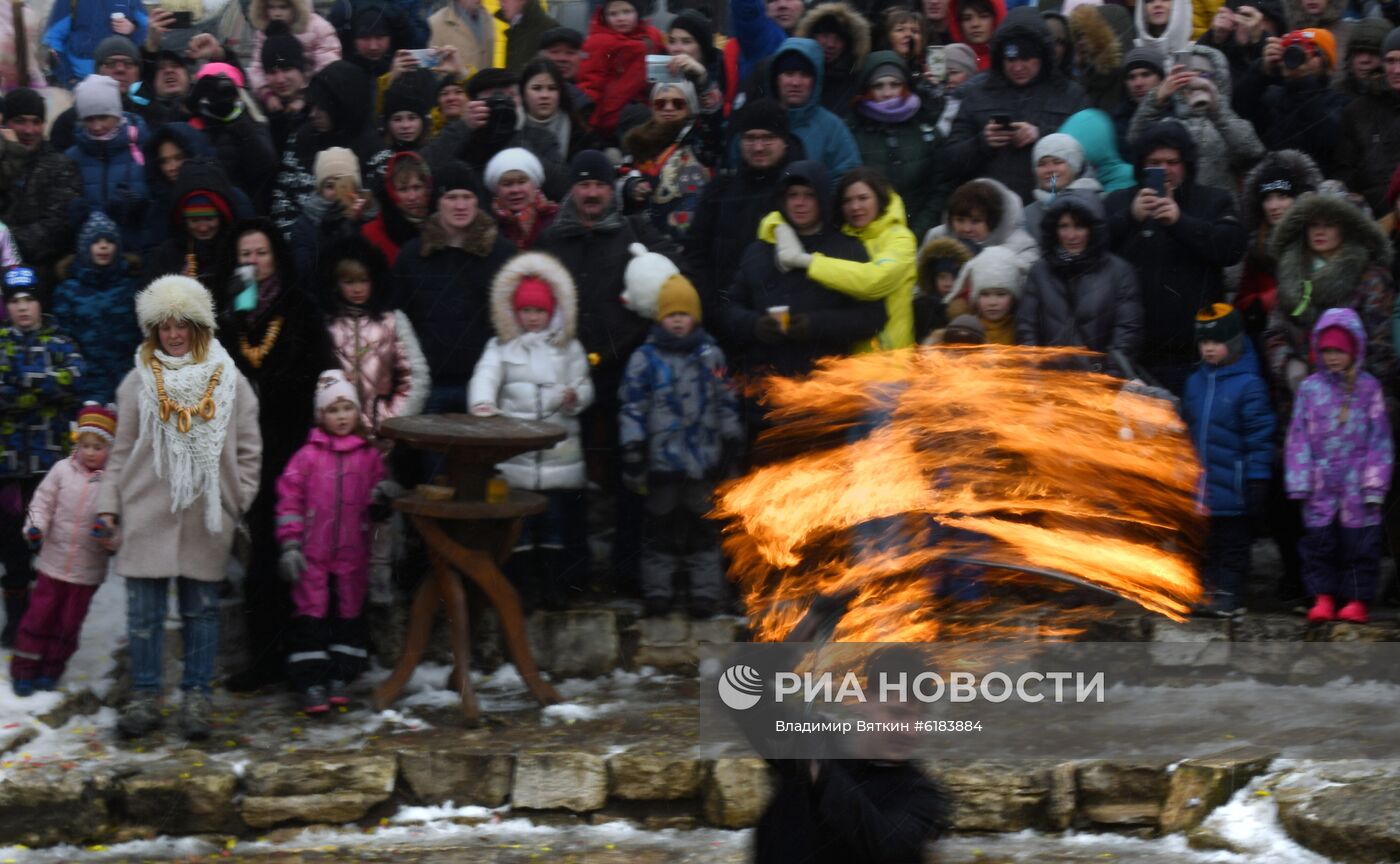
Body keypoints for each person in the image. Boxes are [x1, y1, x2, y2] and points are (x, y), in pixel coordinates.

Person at [98, 276, 260, 738]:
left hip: (207, 514)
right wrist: (109, 507)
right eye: (164, 326)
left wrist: (236, 498)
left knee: (201, 610)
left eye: (182, 325)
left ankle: (196, 698)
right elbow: (119, 450)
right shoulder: (136, 382)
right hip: (146, 510)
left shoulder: (230, 382)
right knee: (144, 614)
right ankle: (146, 696)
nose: (173, 335)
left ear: (198, 327)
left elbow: (249, 447)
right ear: (153, 330)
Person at [218, 219, 336, 693]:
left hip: (294, 445)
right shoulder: (232, 313)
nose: (253, 262)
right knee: (262, 556)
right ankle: (263, 658)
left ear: (277, 258)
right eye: (245, 254)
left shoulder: (300, 308)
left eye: (260, 253)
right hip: (249, 450)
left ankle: (307, 657)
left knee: (302, 552)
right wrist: (235, 316)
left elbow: (319, 370)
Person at [468, 252, 592, 609]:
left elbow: (585, 385)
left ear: (552, 311)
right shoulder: (501, 347)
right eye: (526, 311)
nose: (533, 318)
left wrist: (574, 397)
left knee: (554, 523)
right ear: (514, 313)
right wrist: (482, 404)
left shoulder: (569, 348)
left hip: (558, 454)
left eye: (539, 311)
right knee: (518, 525)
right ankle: (521, 587)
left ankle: (553, 584)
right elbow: (485, 376)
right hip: (516, 455)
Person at [619, 273, 740, 619]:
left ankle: (704, 593)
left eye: (683, 314)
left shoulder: (711, 355)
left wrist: (730, 440)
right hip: (661, 464)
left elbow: (726, 400)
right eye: (670, 314)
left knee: (703, 529)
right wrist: (633, 448)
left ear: (695, 317)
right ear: (660, 318)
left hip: (703, 460)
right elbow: (632, 406)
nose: (676, 320)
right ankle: (659, 591)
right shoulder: (644, 358)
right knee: (660, 530)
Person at [275, 369, 389, 712]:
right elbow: (289, 500)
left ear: (357, 412)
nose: (341, 417)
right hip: (312, 554)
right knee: (312, 615)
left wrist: (384, 497)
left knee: (348, 613)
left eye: (347, 409)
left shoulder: (368, 456)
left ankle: (341, 676)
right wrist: (290, 543)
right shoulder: (307, 456)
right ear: (321, 415)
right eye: (333, 410)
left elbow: (377, 499)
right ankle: (311, 681)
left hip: (353, 555)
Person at [1105, 121, 1247, 394]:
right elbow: (1094, 248)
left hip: (1196, 351)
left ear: (1187, 164)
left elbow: (1232, 249)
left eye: (1172, 162)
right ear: (1141, 166)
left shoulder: (1213, 200)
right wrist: (1130, 218)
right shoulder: (1118, 202)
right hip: (1133, 353)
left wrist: (1180, 222)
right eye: (1154, 162)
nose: (1164, 170)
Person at [725, 159, 884, 381]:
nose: (800, 203)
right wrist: (754, 325)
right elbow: (731, 307)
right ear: (782, 199)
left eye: (809, 195)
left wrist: (816, 324)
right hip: (766, 383)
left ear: (823, 199)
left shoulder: (847, 248)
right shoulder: (760, 250)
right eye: (793, 195)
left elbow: (872, 317)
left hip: (825, 385)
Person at [1286, 308, 1394, 625]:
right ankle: (1322, 597)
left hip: (1358, 488)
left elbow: (1380, 440)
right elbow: (1298, 437)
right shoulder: (1310, 389)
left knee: (1360, 547)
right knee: (1319, 546)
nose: (1333, 357)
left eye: (1340, 351)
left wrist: (1375, 484)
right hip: (1321, 485)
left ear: (1355, 350)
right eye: (1327, 350)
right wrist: (1300, 481)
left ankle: (1357, 600)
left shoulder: (1368, 389)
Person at [0, 269, 86, 650]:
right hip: (6, 466)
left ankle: (46, 620)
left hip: (48, 464)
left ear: (39, 303)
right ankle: (16, 621)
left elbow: (74, 378)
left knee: (50, 543)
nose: (22, 308)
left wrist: (24, 383)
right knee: (11, 544)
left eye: (29, 300)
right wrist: (44, 389)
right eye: (15, 301)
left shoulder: (61, 340)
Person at [392, 161, 516, 414]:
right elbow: (400, 318)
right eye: (452, 197)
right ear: (438, 201)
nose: (460, 206)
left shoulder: (503, 254)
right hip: (429, 384)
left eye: (467, 197)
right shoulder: (413, 255)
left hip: (487, 385)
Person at [8, 403, 114, 695]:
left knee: (68, 623)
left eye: (99, 446)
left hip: (86, 572)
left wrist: (109, 535)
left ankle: (52, 668)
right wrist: (36, 527)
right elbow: (41, 504)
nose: (91, 452)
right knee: (38, 616)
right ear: (76, 443)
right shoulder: (61, 471)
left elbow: (119, 527)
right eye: (86, 445)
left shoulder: (112, 484)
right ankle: (24, 669)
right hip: (52, 565)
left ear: (110, 449)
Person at [1263, 191, 1397, 409]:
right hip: (1300, 401)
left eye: (1330, 224)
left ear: (1346, 228)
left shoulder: (1370, 278)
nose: (1319, 231)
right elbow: (1275, 332)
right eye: (1313, 224)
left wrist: (1371, 396)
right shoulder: (1292, 274)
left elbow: (1380, 345)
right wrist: (1289, 365)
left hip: (1355, 400)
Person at [1182, 305, 1275, 617]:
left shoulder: (1249, 384)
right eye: (1204, 342)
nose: (1209, 348)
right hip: (1204, 489)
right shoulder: (1195, 382)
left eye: (1216, 342)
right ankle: (1208, 593)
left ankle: (1231, 594)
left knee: (1234, 546)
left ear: (1234, 342)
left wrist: (1258, 479)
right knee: (1208, 546)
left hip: (1234, 488)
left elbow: (1259, 436)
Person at [942, 8, 1088, 203]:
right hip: (989, 211)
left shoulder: (1070, 95)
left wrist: (1041, 136)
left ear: (1043, 56)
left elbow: (1086, 155)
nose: (1018, 67)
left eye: (1026, 58)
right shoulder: (977, 95)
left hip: (1050, 207)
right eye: (1010, 59)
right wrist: (982, 142)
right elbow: (949, 161)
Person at [685, 101, 797, 335]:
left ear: (784, 142)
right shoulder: (719, 190)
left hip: (783, 321)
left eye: (767, 138)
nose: (758, 147)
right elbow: (696, 253)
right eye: (750, 138)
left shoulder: (799, 192)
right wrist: (714, 309)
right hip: (724, 323)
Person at [787, 166, 918, 351]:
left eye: (863, 198)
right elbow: (779, 216)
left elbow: (873, 281)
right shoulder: (842, 238)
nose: (855, 207)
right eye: (847, 201)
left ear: (879, 200)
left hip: (891, 361)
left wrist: (811, 262)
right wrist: (777, 227)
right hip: (848, 361)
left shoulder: (900, 238)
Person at [1017, 191, 1143, 371]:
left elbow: (1127, 335)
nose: (1071, 235)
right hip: (1049, 385)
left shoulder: (1119, 272)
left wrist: (1108, 380)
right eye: (1064, 226)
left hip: (1098, 387)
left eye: (1079, 226)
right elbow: (1026, 330)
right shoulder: (1040, 271)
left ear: (1093, 229)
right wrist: (1036, 375)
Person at [320, 235, 430, 434]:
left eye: (364, 280)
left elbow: (415, 377)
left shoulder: (392, 322)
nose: (357, 289)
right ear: (336, 283)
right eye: (349, 282)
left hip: (384, 434)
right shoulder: (326, 325)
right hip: (333, 435)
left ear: (375, 281)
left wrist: (391, 420)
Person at [1127, 45, 1264, 194]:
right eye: (1187, 77)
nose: (1195, 83)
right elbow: (1135, 141)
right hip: (1175, 208)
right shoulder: (1168, 125)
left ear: (1219, 80)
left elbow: (1252, 151)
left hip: (1219, 210)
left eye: (1204, 76)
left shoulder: (1227, 122)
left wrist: (1217, 108)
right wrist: (1156, 99)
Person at [271, 61, 380, 239]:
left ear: (342, 105)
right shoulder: (302, 138)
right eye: (312, 106)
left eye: (322, 107)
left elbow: (377, 211)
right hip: (305, 246)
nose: (313, 114)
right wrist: (300, 240)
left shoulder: (373, 150)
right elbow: (283, 199)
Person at [848, 52, 946, 239]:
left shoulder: (926, 130)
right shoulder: (851, 131)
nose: (887, 93)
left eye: (895, 84)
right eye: (878, 86)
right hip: (869, 237)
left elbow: (939, 190)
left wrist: (916, 234)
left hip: (921, 235)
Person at [51, 212, 144, 404]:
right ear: (85, 247)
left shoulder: (132, 287)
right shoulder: (68, 291)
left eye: (109, 241)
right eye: (97, 241)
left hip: (128, 382)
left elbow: (143, 336)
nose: (103, 246)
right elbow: (63, 340)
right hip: (87, 386)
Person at [1235, 149, 1323, 340]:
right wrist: (1261, 303)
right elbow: (1242, 300)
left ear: (1297, 198)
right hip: (1276, 340)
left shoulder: (1318, 238)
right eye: (1267, 198)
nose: (1273, 206)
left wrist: (1273, 298)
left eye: (1282, 196)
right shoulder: (1257, 248)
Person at [1235, 28, 1346, 175]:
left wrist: (1306, 82)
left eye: (1315, 53)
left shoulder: (1339, 101)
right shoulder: (1272, 94)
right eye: (1295, 49)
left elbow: (1326, 139)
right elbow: (1239, 109)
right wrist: (1261, 71)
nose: (1303, 57)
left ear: (1327, 66)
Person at [621, 81, 719, 242]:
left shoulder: (700, 141)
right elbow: (622, 177)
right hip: (646, 241)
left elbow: (714, 116)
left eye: (677, 103)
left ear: (690, 108)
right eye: (660, 104)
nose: (668, 108)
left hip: (691, 239)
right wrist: (630, 186)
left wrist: (702, 80)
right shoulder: (637, 142)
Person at [0, 91, 81, 276]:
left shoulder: (60, 165)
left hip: (41, 275)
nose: (29, 130)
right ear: (5, 124)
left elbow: (56, 229)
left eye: (36, 122)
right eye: (20, 121)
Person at [66, 75, 150, 254]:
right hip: (89, 255)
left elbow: (157, 194)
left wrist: (137, 199)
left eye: (103, 117)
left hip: (133, 251)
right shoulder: (72, 156)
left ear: (116, 114)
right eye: (89, 119)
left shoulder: (142, 148)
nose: (97, 126)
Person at [765, 38, 862, 182]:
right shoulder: (758, 121)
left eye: (804, 75)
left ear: (816, 81)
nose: (795, 83)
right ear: (776, 78)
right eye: (789, 73)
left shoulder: (832, 129)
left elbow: (848, 180)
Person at [142, 158, 242, 291]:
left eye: (209, 218)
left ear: (222, 216)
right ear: (183, 220)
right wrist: (176, 290)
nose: (203, 227)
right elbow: (148, 302)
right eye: (194, 220)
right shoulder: (166, 256)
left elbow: (249, 303)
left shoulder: (240, 251)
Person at [921, 177, 1039, 288]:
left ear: (993, 221)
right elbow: (919, 285)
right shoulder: (937, 238)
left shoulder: (1022, 248)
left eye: (976, 221)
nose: (967, 228)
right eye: (960, 220)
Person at [577, 0, 666, 138]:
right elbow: (591, 81)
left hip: (645, 105)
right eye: (613, 14)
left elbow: (664, 73)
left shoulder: (652, 37)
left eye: (627, 12)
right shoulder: (599, 42)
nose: (621, 18)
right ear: (604, 17)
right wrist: (589, 117)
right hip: (611, 115)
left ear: (638, 13)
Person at [1335, 28, 1400, 216]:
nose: (1396, 70)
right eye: (1390, 61)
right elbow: (1344, 171)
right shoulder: (1357, 111)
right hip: (1374, 224)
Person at [249, 0, 341, 100]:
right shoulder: (264, 32)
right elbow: (257, 66)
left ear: (296, 7)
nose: (277, 14)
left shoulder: (319, 28)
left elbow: (327, 66)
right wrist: (267, 93)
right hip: (277, 92)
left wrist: (305, 95)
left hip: (313, 92)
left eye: (283, 7)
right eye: (271, 7)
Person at [794, 1, 872, 118]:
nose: (831, 44)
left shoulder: (855, 81)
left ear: (848, 44)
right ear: (811, 35)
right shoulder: (791, 70)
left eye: (839, 38)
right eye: (825, 35)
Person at [43, 0, 149, 85]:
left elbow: (149, 32)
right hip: (81, 82)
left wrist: (133, 29)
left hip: (122, 84)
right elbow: (52, 41)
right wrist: (69, 79)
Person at [362, 151, 432, 264]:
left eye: (417, 187)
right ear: (391, 191)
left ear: (428, 188)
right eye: (403, 189)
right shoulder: (371, 234)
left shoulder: (444, 226)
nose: (412, 197)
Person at [485, 147, 558, 250]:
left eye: (522, 182)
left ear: (534, 185)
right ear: (497, 190)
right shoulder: (487, 228)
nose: (515, 190)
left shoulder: (556, 221)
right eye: (507, 184)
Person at [947, 244, 1021, 344]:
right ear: (976, 298)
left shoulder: (1022, 330)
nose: (993, 303)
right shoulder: (965, 330)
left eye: (1001, 294)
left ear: (1013, 297)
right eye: (985, 294)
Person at [947, 0, 1006, 71]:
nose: (975, 24)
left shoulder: (1009, 61)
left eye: (983, 16)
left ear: (996, 18)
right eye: (967, 18)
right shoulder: (948, 60)